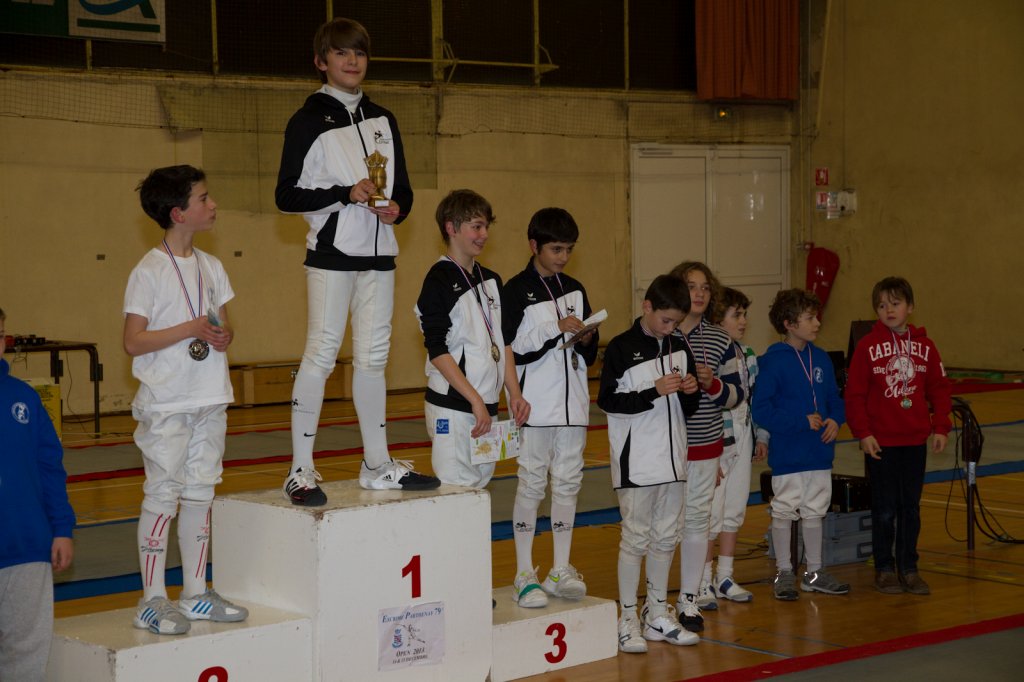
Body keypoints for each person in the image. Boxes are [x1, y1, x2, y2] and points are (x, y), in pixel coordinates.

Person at [276, 17, 437, 505]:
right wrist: (344, 194)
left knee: (373, 359)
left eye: (360, 53)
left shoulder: (384, 119)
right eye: (342, 53)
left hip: (380, 256)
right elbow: (286, 196)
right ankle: (300, 470)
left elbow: (403, 189)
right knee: (321, 354)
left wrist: (397, 209)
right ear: (321, 61)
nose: (352, 61)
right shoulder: (307, 122)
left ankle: (377, 464)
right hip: (331, 256)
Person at [125, 165, 248, 635]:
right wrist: (190, 329)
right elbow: (133, 341)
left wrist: (222, 334)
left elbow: (221, 323)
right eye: (203, 199)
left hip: (209, 395)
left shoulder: (212, 266)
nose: (212, 205)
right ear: (179, 213)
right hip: (167, 401)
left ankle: (195, 592)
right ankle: (152, 599)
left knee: (201, 491)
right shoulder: (149, 270)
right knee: (163, 493)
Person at [599, 275, 701, 653]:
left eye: (676, 322)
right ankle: (627, 617)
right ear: (647, 307)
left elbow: (688, 407)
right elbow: (609, 402)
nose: (671, 328)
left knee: (666, 537)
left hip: (673, 462)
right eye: (666, 320)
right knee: (636, 538)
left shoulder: (679, 345)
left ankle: (656, 611)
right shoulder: (621, 347)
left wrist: (691, 390)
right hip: (637, 462)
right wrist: (652, 391)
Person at [501, 208, 598, 608]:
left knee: (569, 483)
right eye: (556, 249)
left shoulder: (575, 288)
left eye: (569, 249)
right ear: (534, 246)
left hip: (574, 406)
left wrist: (587, 337)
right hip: (534, 406)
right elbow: (510, 348)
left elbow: (588, 354)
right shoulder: (514, 290)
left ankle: (560, 568)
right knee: (532, 482)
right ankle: (524, 572)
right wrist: (553, 328)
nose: (563, 257)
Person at [414, 189, 530, 489]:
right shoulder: (438, 280)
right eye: (476, 226)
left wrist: (514, 393)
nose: (484, 235)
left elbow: (503, 342)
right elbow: (437, 350)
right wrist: (475, 400)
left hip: (486, 407)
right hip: (454, 408)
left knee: (478, 489)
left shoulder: (491, 280)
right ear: (451, 228)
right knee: (456, 490)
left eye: (486, 227)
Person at [844, 276, 951, 596]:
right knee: (884, 508)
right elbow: (854, 394)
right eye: (881, 305)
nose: (888, 310)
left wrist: (941, 426)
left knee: (910, 508)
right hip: (881, 443)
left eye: (895, 303)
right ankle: (884, 568)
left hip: (914, 441)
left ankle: (909, 567)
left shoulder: (926, 347)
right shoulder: (867, 347)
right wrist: (863, 433)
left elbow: (940, 389)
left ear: (910, 307)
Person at [751, 288, 848, 601]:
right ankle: (784, 571)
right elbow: (761, 409)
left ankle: (815, 573)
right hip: (789, 454)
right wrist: (800, 421)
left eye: (816, 317)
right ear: (789, 324)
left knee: (815, 511)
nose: (817, 323)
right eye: (810, 318)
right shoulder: (772, 362)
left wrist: (835, 419)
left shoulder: (821, 358)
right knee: (783, 510)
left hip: (819, 452)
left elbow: (835, 398)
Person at [0, 307, 75, 681]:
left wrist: (61, 528)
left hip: (27, 548)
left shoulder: (25, 399)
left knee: (26, 656)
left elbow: (50, 468)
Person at [666, 261, 743, 629]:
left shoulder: (720, 340)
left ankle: (689, 598)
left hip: (705, 446)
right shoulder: (660, 332)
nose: (698, 294)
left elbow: (737, 395)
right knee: (663, 526)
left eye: (705, 288)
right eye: (691, 286)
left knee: (698, 521)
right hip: (664, 447)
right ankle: (654, 600)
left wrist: (713, 385)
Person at [706, 287, 768, 604]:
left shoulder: (748, 354)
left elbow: (754, 399)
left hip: (742, 437)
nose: (743, 321)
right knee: (709, 513)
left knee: (734, 508)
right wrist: (709, 454)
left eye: (744, 315)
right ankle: (701, 580)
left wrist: (760, 436)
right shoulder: (707, 355)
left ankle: (725, 576)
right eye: (736, 315)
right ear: (717, 319)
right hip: (716, 442)